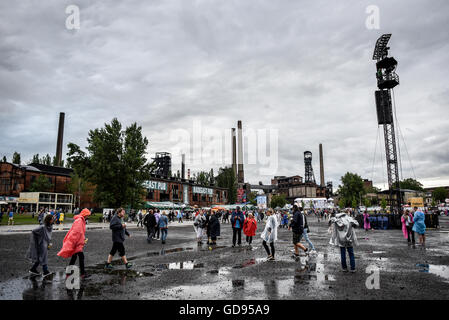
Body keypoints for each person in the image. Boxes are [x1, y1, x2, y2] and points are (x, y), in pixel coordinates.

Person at [57, 208, 91, 279]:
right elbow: (76, 233)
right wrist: (75, 242)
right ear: (85, 214)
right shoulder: (79, 221)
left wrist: (83, 238)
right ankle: (82, 273)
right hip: (77, 243)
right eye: (87, 215)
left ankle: (69, 273)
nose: (88, 217)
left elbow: (80, 232)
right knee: (81, 257)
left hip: (78, 241)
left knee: (74, 257)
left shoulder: (81, 220)